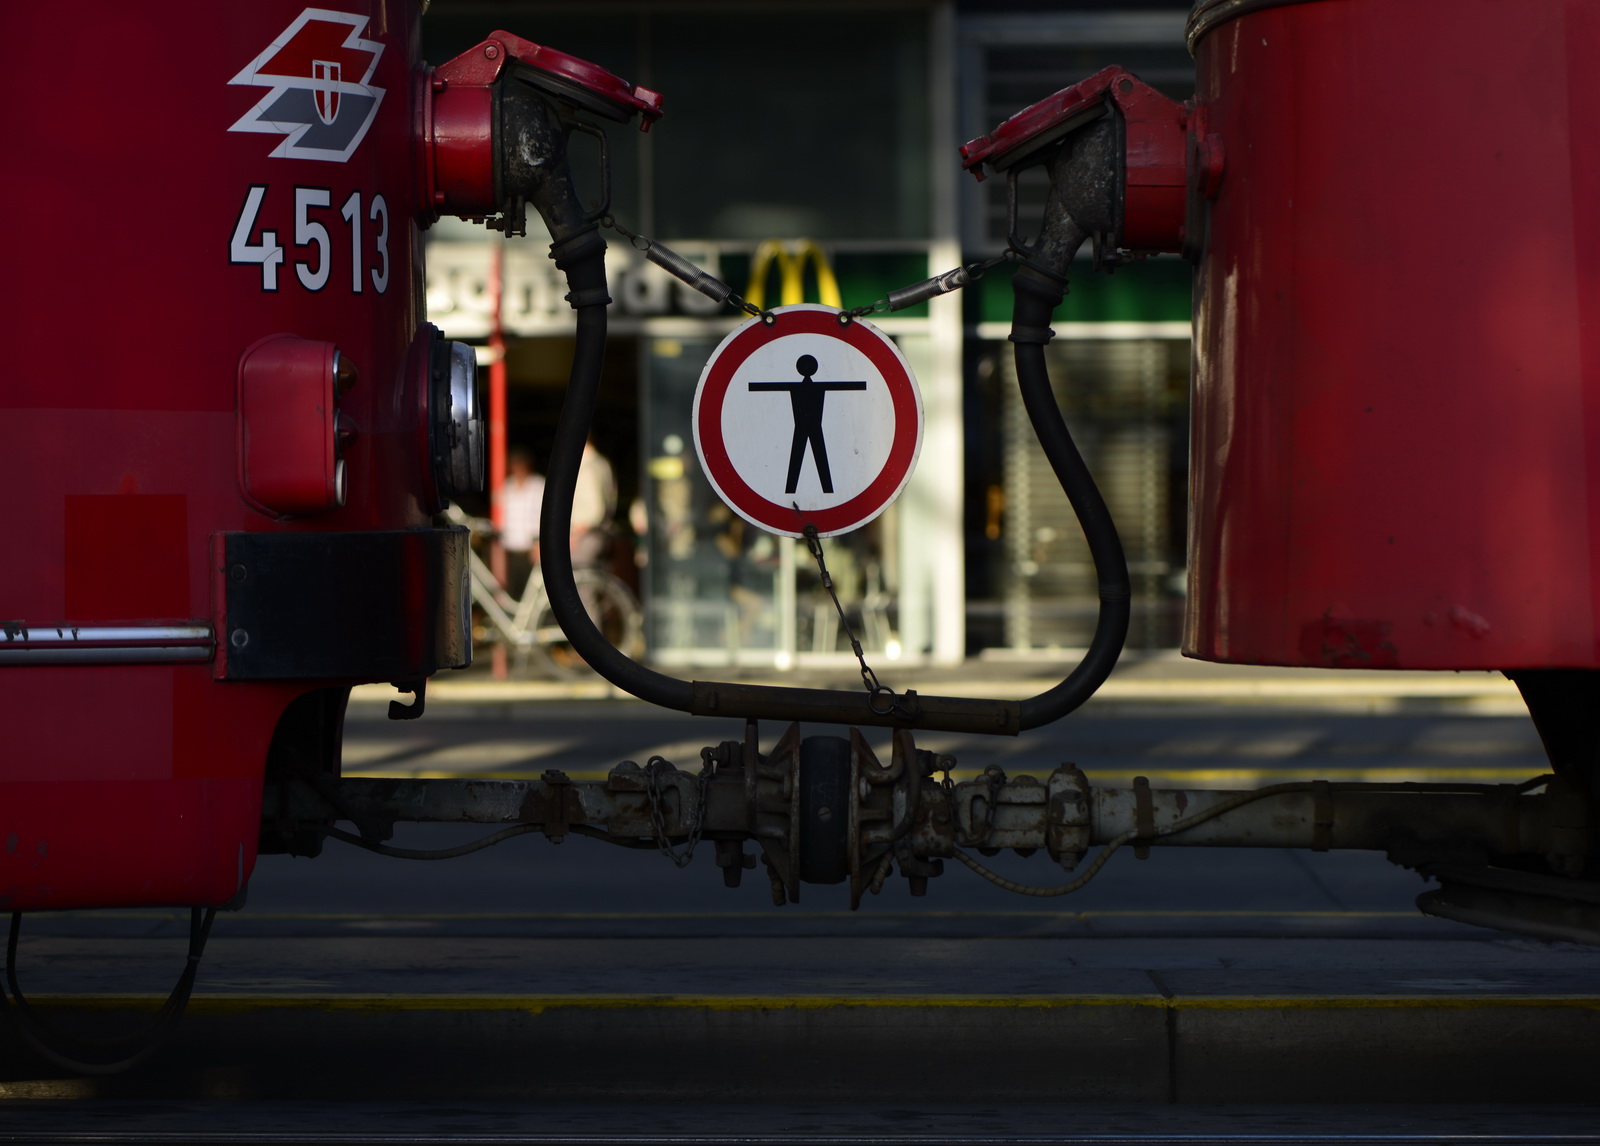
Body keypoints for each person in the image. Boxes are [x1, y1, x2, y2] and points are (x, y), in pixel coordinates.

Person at [498, 446, 544, 598]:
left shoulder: (538, 485)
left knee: (534, 593)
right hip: (511, 549)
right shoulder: (506, 487)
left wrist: (538, 543)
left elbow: (542, 516)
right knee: (513, 591)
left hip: (532, 549)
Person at [570, 438, 616, 573]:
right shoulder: (602, 463)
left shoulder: (587, 468)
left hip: (585, 536)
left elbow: (594, 510)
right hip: (599, 533)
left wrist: (574, 537)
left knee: (579, 582)